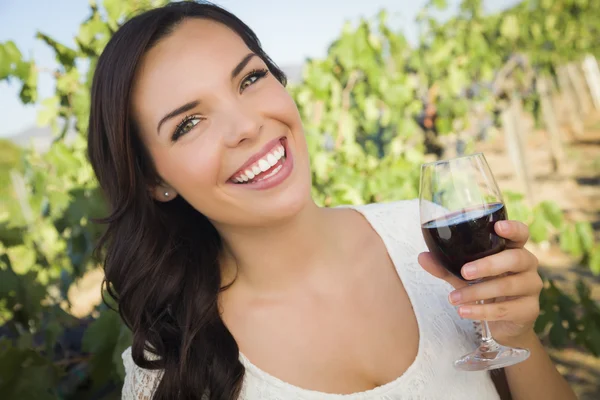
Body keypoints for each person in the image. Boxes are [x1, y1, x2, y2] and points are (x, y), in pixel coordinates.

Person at [86, 2, 576, 399]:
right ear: (154, 179)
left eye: (250, 79)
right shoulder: (171, 371)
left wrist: (517, 338)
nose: (247, 126)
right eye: (188, 124)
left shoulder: (421, 241)